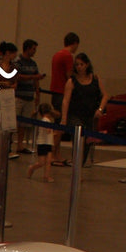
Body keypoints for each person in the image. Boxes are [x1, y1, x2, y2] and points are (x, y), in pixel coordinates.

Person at [61, 52, 108, 167]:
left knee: (87, 143)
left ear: (87, 65)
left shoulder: (95, 79)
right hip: (75, 115)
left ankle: (79, 167)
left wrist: (100, 109)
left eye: (81, 64)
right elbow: (65, 100)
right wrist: (64, 118)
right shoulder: (71, 81)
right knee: (78, 137)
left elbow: (105, 95)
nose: (79, 67)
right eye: (77, 65)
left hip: (90, 116)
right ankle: (76, 164)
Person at [48, 33, 80, 165]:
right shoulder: (67, 56)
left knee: (57, 124)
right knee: (60, 125)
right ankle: (55, 155)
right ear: (74, 43)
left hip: (55, 91)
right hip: (62, 92)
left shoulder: (57, 54)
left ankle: (56, 153)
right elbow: (69, 75)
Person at [14, 39, 43, 154]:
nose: (34, 51)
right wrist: (32, 77)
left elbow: (36, 79)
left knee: (24, 124)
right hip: (18, 96)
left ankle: (20, 145)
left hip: (29, 97)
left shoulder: (33, 63)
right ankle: (9, 144)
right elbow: (17, 76)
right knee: (14, 122)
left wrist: (37, 93)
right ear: (27, 48)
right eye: (33, 49)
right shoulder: (18, 61)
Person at [26, 102, 57, 183]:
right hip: (42, 144)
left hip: (48, 143)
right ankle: (31, 168)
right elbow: (48, 131)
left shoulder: (47, 120)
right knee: (41, 162)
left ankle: (46, 176)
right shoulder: (45, 121)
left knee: (48, 161)